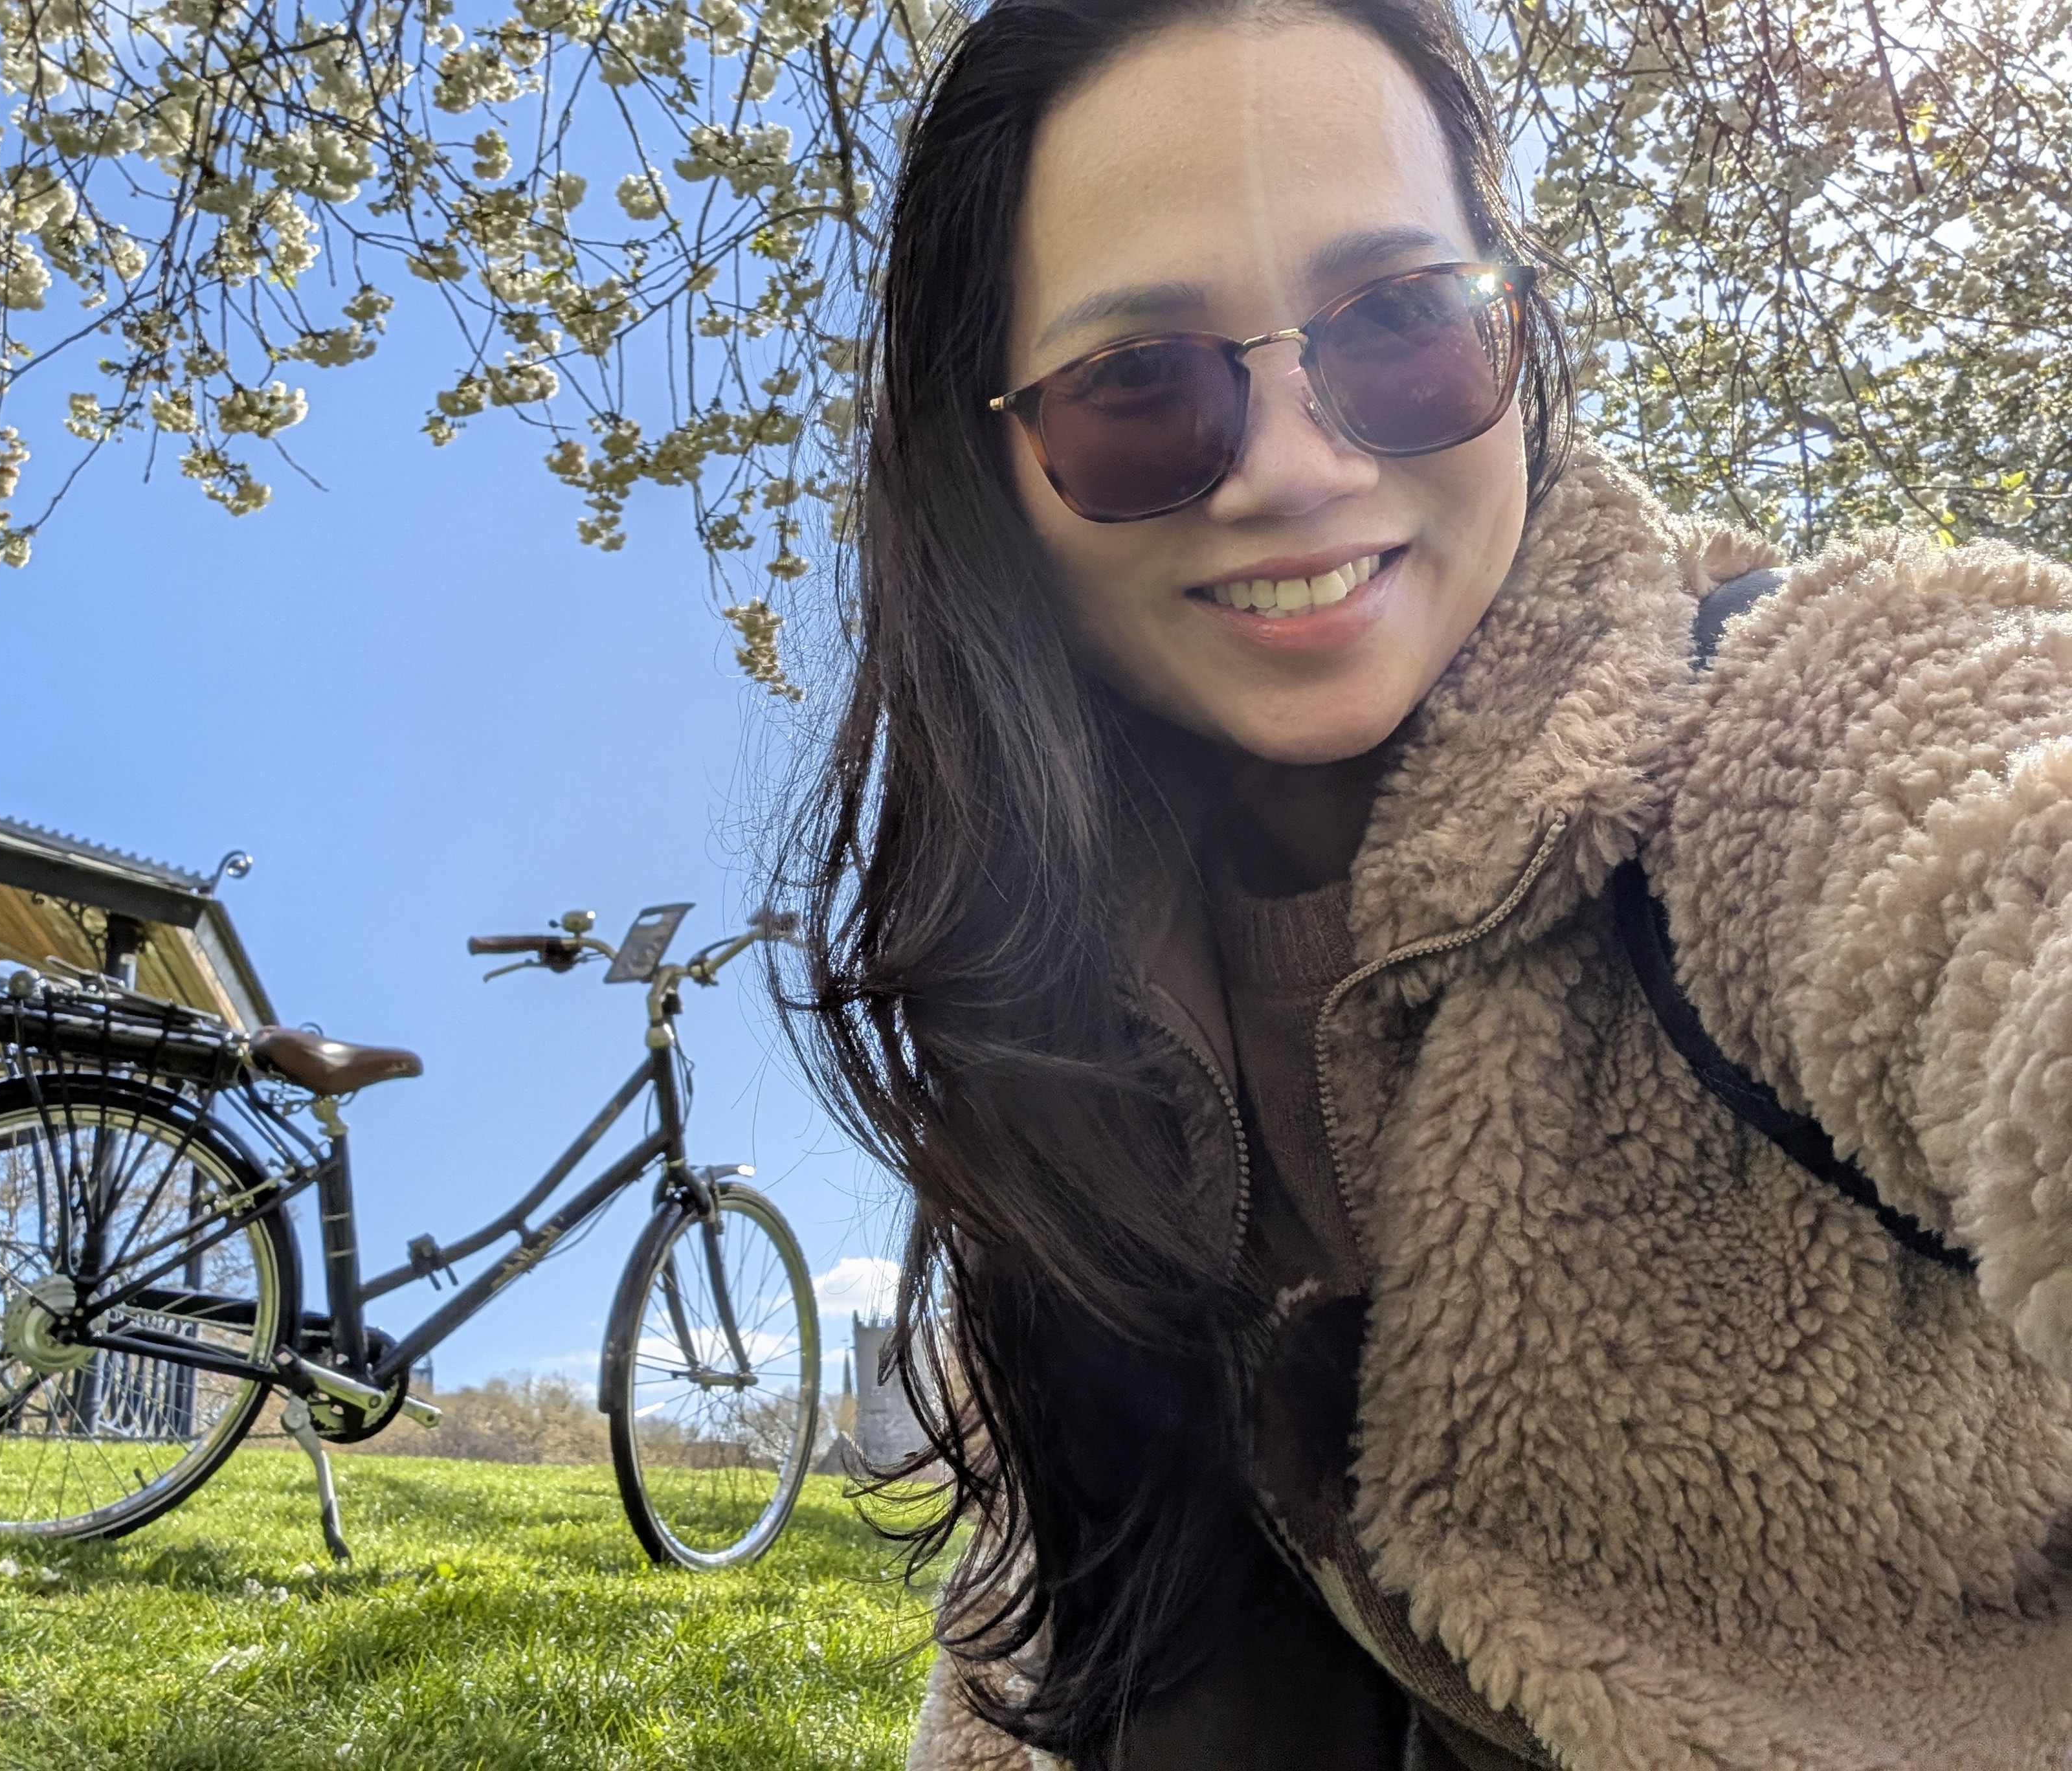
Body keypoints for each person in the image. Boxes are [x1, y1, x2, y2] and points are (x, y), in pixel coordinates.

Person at [777, 0, 2072, 1764]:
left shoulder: (1812, 723)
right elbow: (1048, 1645)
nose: (1299, 470)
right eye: (1137, 386)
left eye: (1399, 325)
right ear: (986, 470)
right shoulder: (1056, 1022)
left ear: (1512, 334)